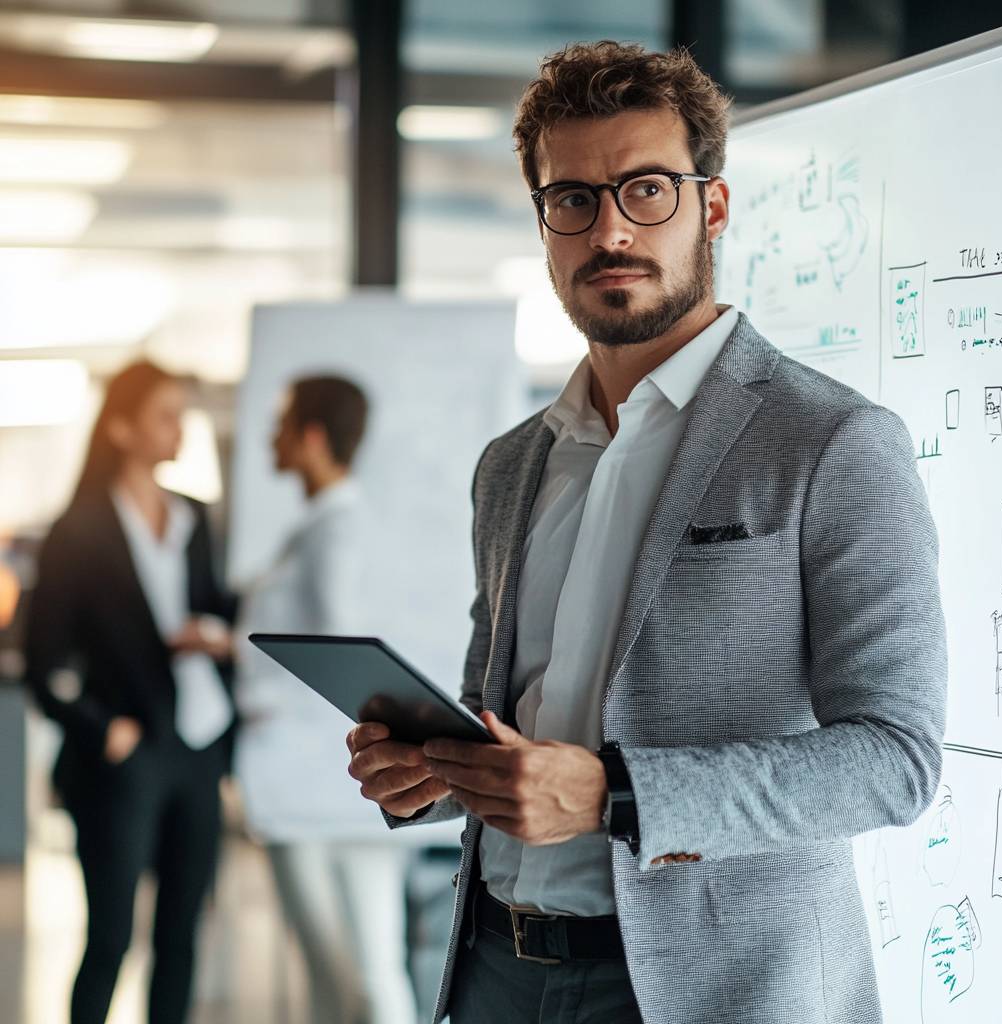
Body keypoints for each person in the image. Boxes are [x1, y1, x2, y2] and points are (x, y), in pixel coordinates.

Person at [347, 41, 947, 1024]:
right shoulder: (511, 464)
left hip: (716, 986)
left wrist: (609, 795)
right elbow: (498, 708)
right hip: (497, 965)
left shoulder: (832, 442)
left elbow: (893, 760)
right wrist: (433, 773)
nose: (609, 228)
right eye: (573, 198)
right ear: (544, 222)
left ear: (710, 206)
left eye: (646, 191)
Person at [24, 360, 235, 1024]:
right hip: (122, 755)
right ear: (120, 427)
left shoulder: (196, 519)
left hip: (200, 746)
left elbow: (217, 612)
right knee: (111, 937)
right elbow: (43, 663)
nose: (179, 427)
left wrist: (219, 638)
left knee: (181, 938)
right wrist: (99, 727)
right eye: (165, 414)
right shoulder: (78, 530)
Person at [233, 376, 417, 1024]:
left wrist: (242, 661)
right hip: (320, 778)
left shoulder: (334, 530)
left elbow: (340, 651)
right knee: (356, 973)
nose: (270, 438)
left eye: (281, 423)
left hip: (318, 779)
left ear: (311, 438)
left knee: (356, 974)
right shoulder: (327, 524)